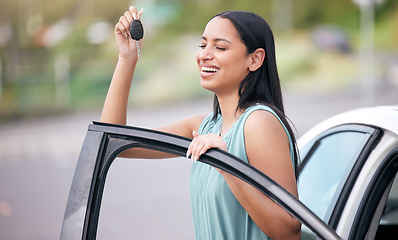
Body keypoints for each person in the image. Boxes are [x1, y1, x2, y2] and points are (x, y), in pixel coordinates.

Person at [100, 6, 301, 240]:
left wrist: (227, 165)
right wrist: (127, 58)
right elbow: (114, 141)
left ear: (255, 59)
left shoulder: (259, 123)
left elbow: (289, 232)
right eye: (203, 44)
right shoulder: (204, 126)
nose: (205, 54)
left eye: (220, 47)